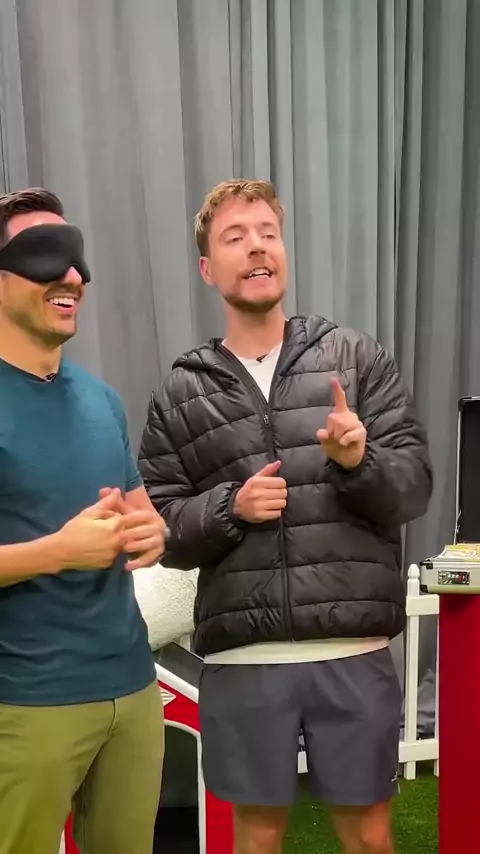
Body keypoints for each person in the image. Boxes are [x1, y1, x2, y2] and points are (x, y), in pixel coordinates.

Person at [138, 179, 433, 854]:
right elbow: (160, 529)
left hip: (352, 650)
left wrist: (358, 462)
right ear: (208, 268)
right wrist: (230, 508)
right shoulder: (181, 392)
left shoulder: (355, 360)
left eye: (268, 233)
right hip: (245, 660)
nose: (257, 247)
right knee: (256, 837)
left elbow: (413, 489)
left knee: (370, 835)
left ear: (284, 251)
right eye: (235, 237)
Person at [0, 188, 168, 854]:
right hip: (27, 702)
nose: (71, 274)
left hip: (132, 689)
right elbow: (63, 547)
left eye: (76, 257)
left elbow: (139, 510)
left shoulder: (102, 401)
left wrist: (151, 531)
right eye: (45, 254)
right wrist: (57, 552)